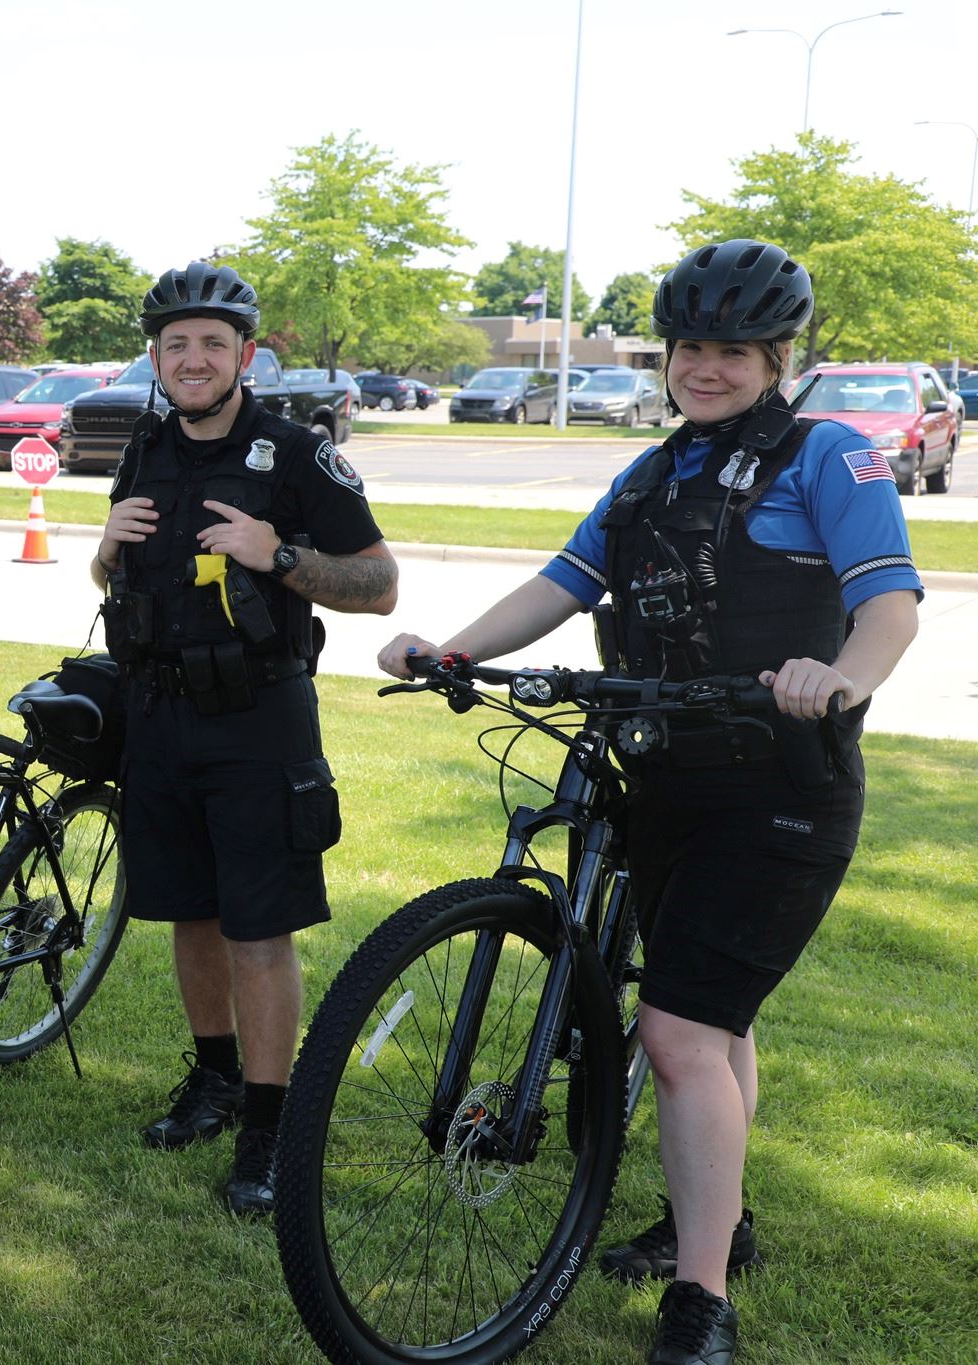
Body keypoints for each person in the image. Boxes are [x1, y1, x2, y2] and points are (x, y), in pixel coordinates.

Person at [379, 240, 920, 1365]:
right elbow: (565, 583)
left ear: (774, 359)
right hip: (659, 779)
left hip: (778, 787)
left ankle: (700, 1296)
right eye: (687, 349)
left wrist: (842, 681)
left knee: (676, 1030)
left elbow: (886, 605)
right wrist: (453, 648)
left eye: (729, 351)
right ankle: (707, 1213)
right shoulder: (651, 472)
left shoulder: (829, 459)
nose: (703, 369)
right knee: (710, 1023)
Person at [93, 262, 399, 1215]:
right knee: (189, 910)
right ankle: (215, 1078)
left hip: (257, 720)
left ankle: (268, 1125)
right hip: (157, 713)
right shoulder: (145, 447)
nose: (192, 359)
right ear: (156, 356)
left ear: (245, 356)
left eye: (211, 344)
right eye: (175, 344)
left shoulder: (296, 454)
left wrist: (282, 555)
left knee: (258, 928)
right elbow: (117, 580)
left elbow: (380, 583)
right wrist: (104, 546)